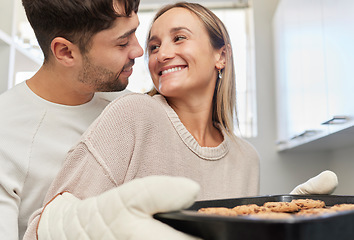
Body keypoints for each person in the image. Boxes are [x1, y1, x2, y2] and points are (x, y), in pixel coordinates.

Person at [24, 2, 338, 239]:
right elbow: (42, 226)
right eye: (154, 46)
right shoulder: (133, 115)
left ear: (222, 56)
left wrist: (285, 223)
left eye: (180, 38)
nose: (161, 54)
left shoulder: (246, 159)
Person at [0, 0, 144, 239]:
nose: (138, 50)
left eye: (135, 33)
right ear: (65, 52)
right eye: (122, 42)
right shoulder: (5, 133)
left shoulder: (133, 110)